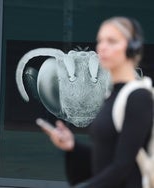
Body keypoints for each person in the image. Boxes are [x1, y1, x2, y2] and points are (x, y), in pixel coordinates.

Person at [40, 17, 153, 188]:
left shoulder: (138, 97)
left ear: (132, 48)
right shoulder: (111, 95)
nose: (102, 47)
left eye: (112, 41)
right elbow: (106, 160)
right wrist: (72, 146)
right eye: (100, 40)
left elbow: (124, 165)